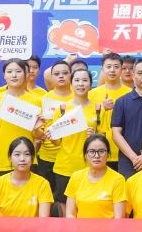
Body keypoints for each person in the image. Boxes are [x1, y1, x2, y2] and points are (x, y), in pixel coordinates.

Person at [47, 64, 99, 214]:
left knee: (88, 205)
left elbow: (104, 137)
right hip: (65, 166)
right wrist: (51, 137)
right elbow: (57, 142)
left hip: (90, 166)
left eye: (85, 80)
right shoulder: (62, 109)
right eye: (77, 80)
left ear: (91, 84)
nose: (80, 84)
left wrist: (95, 136)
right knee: (65, 207)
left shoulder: (98, 108)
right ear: (71, 83)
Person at [0, 59, 45, 183]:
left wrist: (35, 128)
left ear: (26, 74)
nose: (14, 75)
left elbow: (40, 136)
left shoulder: (37, 101)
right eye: (10, 71)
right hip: (0, 160)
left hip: (26, 159)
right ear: (4, 75)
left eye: (18, 71)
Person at [37, 60, 75, 204]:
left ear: (71, 75)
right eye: (57, 74)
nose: (61, 76)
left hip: (70, 157)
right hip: (47, 156)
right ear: (51, 77)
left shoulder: (78, 97)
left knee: (68, 200)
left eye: (65, 73)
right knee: (47, 199)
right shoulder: (44, 99)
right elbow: (38, 132)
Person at [0, 136, 52, 217]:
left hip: (32, 226)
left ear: (32, 158)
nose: (22, 159)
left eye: (27, 154)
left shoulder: (43, 184)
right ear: (10, 158)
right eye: (17, 154)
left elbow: (43, 220)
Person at [64, 134, 127, 218]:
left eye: (101, 151)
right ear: (85, 155)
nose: (96, 156)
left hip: (108, 226)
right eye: (92, 151)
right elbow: (70, 214)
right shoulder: (76, 177)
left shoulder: (118, 180)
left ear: (108, 155)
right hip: (80, 226)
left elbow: (118, 218)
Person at [91, 52, 132, 171]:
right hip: (99, 151)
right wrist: (102, 109)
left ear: (121, 69)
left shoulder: (131, 93)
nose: (112, 70)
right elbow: (89, 121)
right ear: (102, 69)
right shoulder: (92, 94)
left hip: (125, 151)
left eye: (116, 67)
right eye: (108, 67)